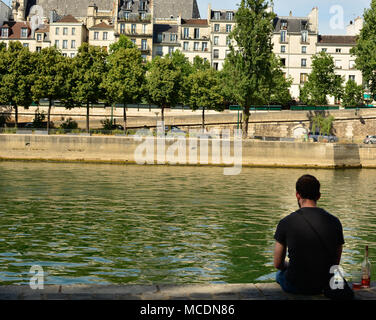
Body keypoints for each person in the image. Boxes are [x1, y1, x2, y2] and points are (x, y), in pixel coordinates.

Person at [273, 175, 345, 294]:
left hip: (296, 285)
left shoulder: (285, 222)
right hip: (324, 284)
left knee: (280, 274)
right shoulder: (335, 222)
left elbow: (277, 263)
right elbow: (335, 263)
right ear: (318, 196)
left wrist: (289, 265)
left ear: (297, 195)